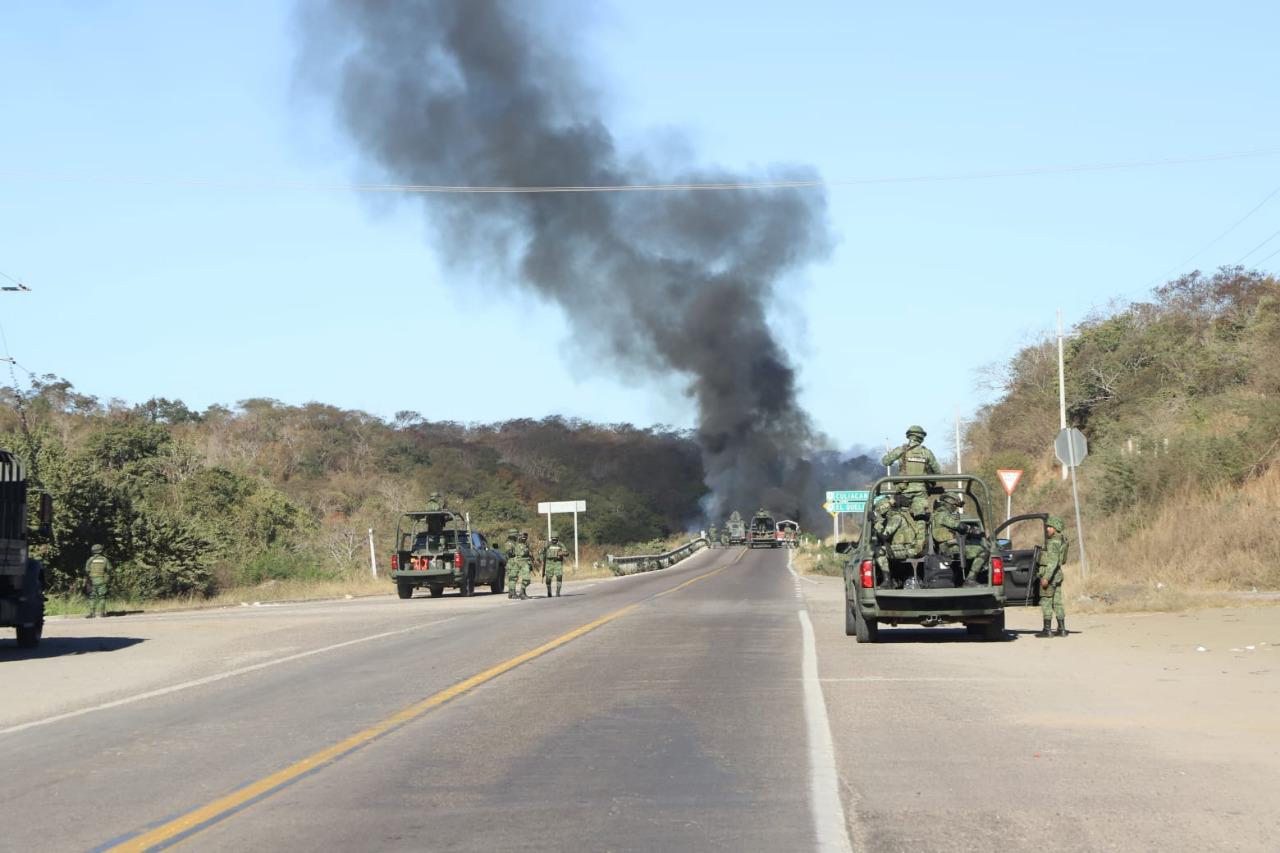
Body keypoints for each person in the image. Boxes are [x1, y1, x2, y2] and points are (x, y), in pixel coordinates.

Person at [880, 425, 941, 517]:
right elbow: (937, 472)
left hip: (904, 490)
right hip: (921, 491)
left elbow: (885, 461)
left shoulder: (901, 450)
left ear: (909, 436)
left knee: (902, 516)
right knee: (920, 518)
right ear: (921, 437)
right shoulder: (927, 452)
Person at [931, 492, 987, 586]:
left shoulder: (939, 514)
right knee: (983, 551)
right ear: (948, 503)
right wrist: (971, 529)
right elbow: (958, 526)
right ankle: (970, 579)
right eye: (954, 505)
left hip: (950, 545)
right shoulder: (942, 514)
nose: (955, 508)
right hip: (948, 547)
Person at [1036, 515, 1070, 638]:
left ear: (1056, 528)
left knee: (1046, 601)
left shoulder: (1053, 542)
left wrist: (1046, 577)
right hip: (1057, 576)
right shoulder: (1061, 539)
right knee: (1057, 602)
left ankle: (1047, 630)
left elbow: (1052, 561)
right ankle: (1062, 629)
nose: (1048, 529)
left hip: (1050, 576)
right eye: (1048, 526)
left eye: (1050, 527)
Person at [84, 544, 111, 618]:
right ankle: (102, 613)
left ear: (93, 551)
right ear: (101, 551)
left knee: (92, 597)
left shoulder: (90, 560)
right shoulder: (105, 559)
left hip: (92, 581)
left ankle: (92, 613)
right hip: (102, 580)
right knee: (102, 597)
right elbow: (109, 569)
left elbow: (87, 570)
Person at [507, 530, 533, 600]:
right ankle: (514, 593)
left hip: (524, 562)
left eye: (525, 536)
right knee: (513, 578)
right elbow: (510, 553)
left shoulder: (525, 545)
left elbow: (530, 555)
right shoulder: (513, 544)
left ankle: (521, 592)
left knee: (525, 578)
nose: (524, 538)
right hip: (517, 562)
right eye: (522, 536)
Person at [541, 534, 570, 598]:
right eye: (553, 539)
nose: (554, 541)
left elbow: (567, 553)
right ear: (551, 538)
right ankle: (549, 591)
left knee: (559, 576)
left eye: (556, 539)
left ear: (558, 538)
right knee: (548, 578)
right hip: (549, 563)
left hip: (558, 562)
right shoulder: (547, 544)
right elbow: (542, 552)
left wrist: (562, 553)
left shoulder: (560, 544)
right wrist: (542, 559)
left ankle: (558, 592)